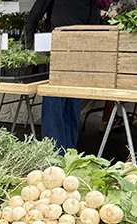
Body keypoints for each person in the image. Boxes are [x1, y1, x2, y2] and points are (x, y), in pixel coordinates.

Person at [25, 0, 101, 151]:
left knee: (72, 108)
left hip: (78, 59)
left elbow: (95, 28)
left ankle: (68, 153)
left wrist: (89, 56)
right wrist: (35, 49)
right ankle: (53, 155)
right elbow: (31, 20)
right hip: (56, 58)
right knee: (54, 107)